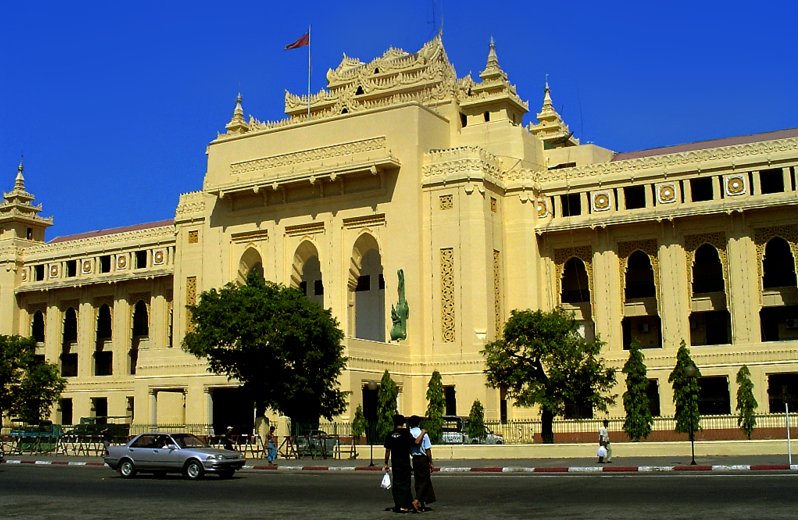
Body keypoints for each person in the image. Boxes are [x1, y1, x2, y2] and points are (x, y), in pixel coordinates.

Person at [383, 414, 421, 513]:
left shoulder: (390, 434)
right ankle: (405, 505)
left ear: (394, 423)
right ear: (403, 423)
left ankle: (399, 505)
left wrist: (386, 463)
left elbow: (387, 450)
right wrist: (423, 432)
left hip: (395, 462)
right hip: (405, 462)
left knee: (397, 484)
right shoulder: (406, 434)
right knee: (406, 483)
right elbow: (416, 442)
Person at [408, 415, 436, 511]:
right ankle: (417, 500)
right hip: (423, 459)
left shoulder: (409, 434)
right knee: (425, 480)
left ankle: (421, 503)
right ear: (419, 423)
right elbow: (428, 450)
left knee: (418, 481)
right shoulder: (423, 434)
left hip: (414, 459)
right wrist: (431, 462)